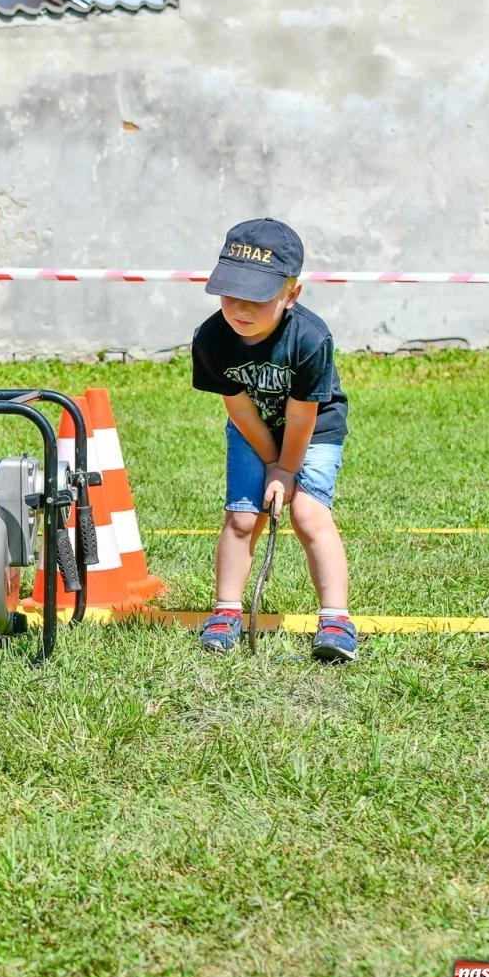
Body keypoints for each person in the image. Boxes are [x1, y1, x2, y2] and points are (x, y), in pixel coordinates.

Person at [189, 218, 356, 661]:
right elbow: (239, 407)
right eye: (230, 294)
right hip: (252, 428)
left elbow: (303, 416)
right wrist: (268, 461)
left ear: (291, 294)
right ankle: (226, 612)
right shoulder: (211, 338)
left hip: (314, 430)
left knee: (307, 513)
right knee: (243, 518)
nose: (240, 310)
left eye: (257, 299)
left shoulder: (310, 337)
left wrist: (285, 470)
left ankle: (336, 619)